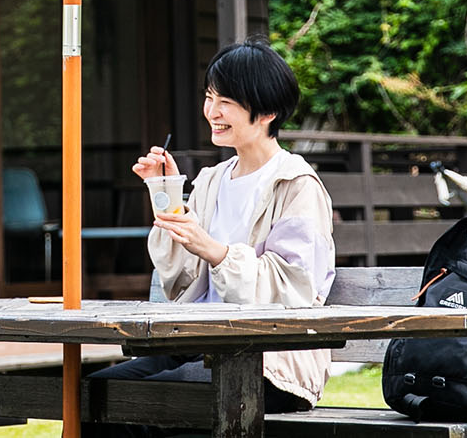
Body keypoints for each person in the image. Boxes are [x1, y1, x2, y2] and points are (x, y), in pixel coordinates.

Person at [87, 39, 338, 435]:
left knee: (139, 408)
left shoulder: (296, 183)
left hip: (269, 362)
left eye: (228, 101)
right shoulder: (211, 180)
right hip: (201, 346)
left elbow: (296, 289)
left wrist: (215, 251)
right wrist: (165, 193)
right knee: (94, 394)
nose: (212, 111)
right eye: (209, 96)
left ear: (267, 111)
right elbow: (180, 281)